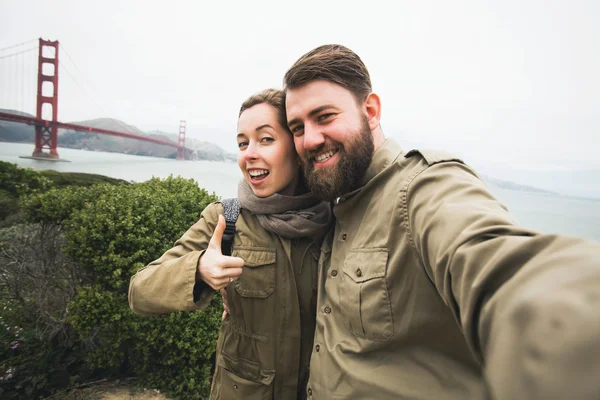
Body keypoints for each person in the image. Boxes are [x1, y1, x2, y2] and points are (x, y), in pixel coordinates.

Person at [283, 44, 600, 400]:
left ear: (370, 111)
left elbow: (499, 266)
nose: (309, 139)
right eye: (297, 128)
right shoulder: (334, 208)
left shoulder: (423, 187)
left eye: (324, 117)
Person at [128, 88, 332, 400]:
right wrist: (197, 269)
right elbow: (139, 292)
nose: (249, 153)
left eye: (265, 139)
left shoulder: (336, 220)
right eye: (242, 142)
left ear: (296, 146)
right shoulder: (226, 219)